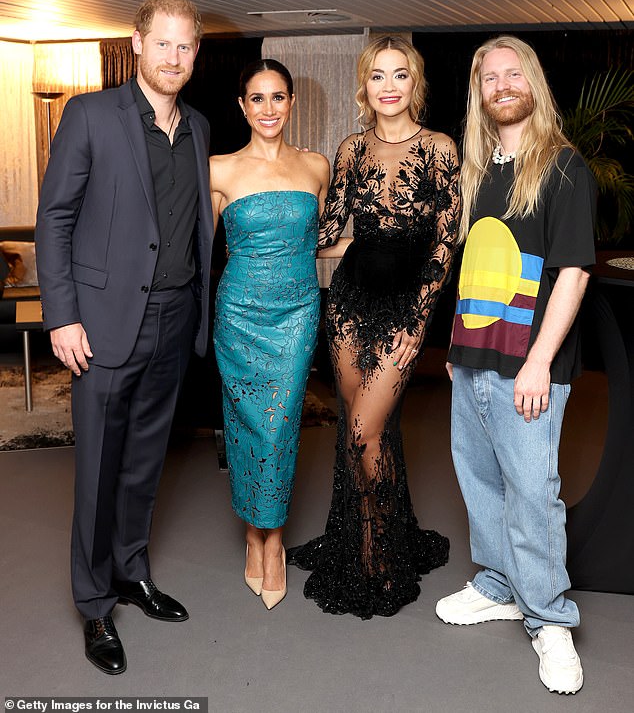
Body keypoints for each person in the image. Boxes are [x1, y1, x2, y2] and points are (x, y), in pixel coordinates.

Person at [35, 0, 213, 674]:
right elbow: (55, 217)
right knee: (98, 468)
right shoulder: (89, 115)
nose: (173, 56)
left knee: (144, 462)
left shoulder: (196, 125)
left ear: (196, 52)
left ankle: (132, 570)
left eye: (185, 45)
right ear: (136, 43)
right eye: (161, 42)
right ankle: (93, 603)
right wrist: (62, 314)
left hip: (173, 320)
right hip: (102, 326)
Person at [436, 36, 596, 695]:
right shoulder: (480, 171)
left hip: (528, 366)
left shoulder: (560, 166)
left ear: (531, 82)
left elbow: (574, 273)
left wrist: (538, 361)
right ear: (479, 94)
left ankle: (550, 618)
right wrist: (455, 345)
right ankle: (502, 584)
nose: (501, 85)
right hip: (473, 357)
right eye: (488, 78)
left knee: (533, 490)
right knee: (481, 480)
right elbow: (480, 267)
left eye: (512, 74)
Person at [287, 36, 460, 619]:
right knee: (362, 432)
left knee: (364, 428)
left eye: (401, 75)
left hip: (403, 312)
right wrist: (278, 211)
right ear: (364, 87)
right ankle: (368, 537)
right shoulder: (351, 149)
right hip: (349, 305)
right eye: (379, 76)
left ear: (416, 85)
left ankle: (377, 551)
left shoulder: (439, 149)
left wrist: (418, 322)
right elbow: (334, 231)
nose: (389, 86)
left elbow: (444, 246)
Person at [210, 59, 330, 610]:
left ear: (292, 102)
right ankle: (252, 535)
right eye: (256, 99)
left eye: (278, 97)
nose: (268, 110)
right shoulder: (218, 171)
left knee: (280, 425)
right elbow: (195, 249)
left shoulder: (315, 167)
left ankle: (273, 539)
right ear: (242, 106)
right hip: (238, 314)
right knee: (245, 426)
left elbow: (315, 242)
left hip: (298, 311)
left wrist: (377, 247)